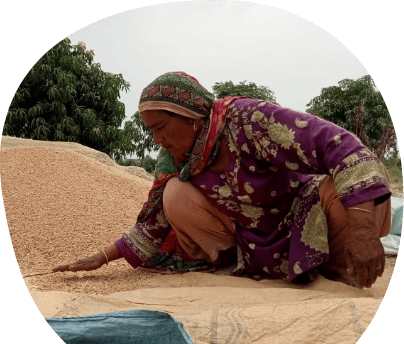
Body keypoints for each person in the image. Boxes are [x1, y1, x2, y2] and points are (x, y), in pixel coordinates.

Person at [52, 71, 391, 289]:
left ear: (192, 119)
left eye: (160, 129)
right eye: (150, 131)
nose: (156, 140)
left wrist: (363, 230)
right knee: (174, 194)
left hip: (305, 210)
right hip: (255, 242)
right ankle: (237, 268)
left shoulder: (249, 120)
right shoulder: (175, 157)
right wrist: (104, 256)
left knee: (345, 188)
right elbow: (155, 219)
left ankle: (339, 269)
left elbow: (342, 147)